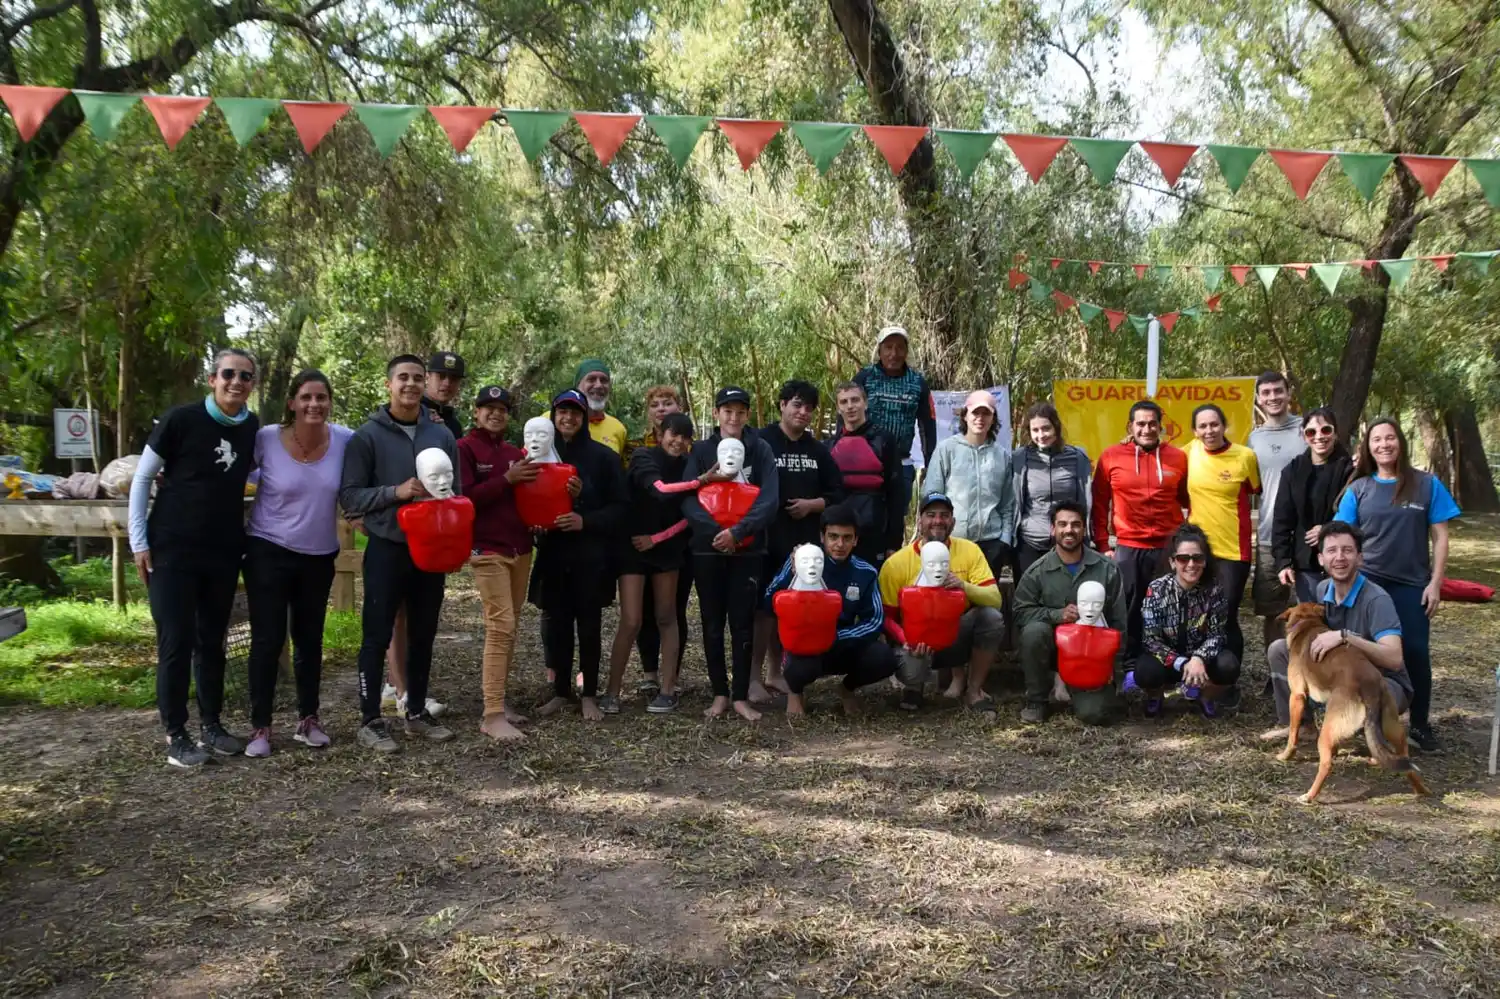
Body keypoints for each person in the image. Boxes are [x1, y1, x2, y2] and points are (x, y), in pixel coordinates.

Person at [129, 347, 261, 768]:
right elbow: (143, 478)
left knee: (212, 642)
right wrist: (139, 542)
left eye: (245, 376)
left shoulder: (250, 426)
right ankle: (176, 734)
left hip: (222, 550)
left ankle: (212, 725)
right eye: (228, 374)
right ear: (212, 378)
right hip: (172, 548)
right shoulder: (180, 420)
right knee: (175, 641)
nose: (236, 382)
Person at [339, 354, 459, 754]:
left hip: (430, 551)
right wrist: (397, 492)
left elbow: (455, 492)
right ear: (389, 384)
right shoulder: (366, 437)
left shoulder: (440, 435)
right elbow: (350, 496)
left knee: (424, 633)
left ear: (425, 385)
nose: (410, 384)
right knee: (376, 635)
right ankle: (370, 719)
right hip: (388, 548)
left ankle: (416, 711)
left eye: (417, 378)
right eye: (402, 377)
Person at [242, 369, 352, 758]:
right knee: (268, 639)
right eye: (306, 397)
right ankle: (261, 727)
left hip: (319, 554)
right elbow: (231, 469)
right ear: (292, 402)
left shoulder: (345, 440)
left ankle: (309, 720)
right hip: (267, 549)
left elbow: (379, 450)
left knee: (309, 640)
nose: (314, 405)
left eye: (321, 398)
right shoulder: (266, 439)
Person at [1334, 418, 1459, 752]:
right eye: (1376, 440)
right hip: (1369, 585)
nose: (1384, 445)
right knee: (1367, 652)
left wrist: (1435, 583)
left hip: (1412, 585)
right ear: (1368, 447)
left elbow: (1441, 536)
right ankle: (1369, 722)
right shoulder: (1358, 489)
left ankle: (1419, 724)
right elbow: (1343, 536)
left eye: (1390, 438)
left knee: (1415, 652)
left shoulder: (1426, 484)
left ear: (1400, 442)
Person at [682, 386, 781, 721]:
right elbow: (688, 497)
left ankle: (740, 696)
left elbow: (770, 499)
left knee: (742, 623)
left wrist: (738, 533)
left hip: (749, 550)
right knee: (712, 623)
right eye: (727, 411)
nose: (734, 417)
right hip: (707, 551)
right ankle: (719, 694)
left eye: (740, 411)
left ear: (747, 415)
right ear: (716, 414)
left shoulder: (760, 449)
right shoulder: (700, 450)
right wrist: (716, 534)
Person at [1263, 521, 1413, 743]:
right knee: (1279, 649)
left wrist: (1345, 636)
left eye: (1347, 550)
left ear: (1360, 558)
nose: (1340, 557)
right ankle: (1301, 725)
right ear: (1321, 559)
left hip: (1383, 681)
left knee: (1367, 709)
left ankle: (1374, 729)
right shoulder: (1323, 589)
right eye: (1332, 550)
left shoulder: (1377, 600)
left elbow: (1394, 659)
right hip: (1344, 675)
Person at [531, 389, 629, 722]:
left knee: (588, 628)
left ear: (585, 417)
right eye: (562, 412)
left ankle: (588, 694)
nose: (568, 418)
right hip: (553, 554)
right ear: (553, 416)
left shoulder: (604, 458)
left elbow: (620, 510)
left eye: (575, 413)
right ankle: (561, 692)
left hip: (590, 557)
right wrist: (537, 526)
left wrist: (584, 516)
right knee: (556, 627)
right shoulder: (540, 455)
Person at [379, 350, 466, 717]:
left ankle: (399, 685)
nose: (444, 383)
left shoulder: (450, 425)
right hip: (395, 526)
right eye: (437, 376)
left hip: (432, 532)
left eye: (453, 378)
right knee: (397, 615)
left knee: (420, 615)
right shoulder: (395, 417)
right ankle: (402, 691)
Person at [751, 380, 844, 701]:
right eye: (797, 405)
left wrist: (812, 505)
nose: (803, 413)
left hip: (803, 546)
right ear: (781, 405)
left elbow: (837, 494)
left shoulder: (818, 450)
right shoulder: (761, 440)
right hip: (763, 538)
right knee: (761, 610)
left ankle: (776, 673)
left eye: (809, 408)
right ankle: (752, 678)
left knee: (788, 608)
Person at [457, 385, 534, 743]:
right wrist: (506, 479)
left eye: (502, 408)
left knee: (510, 628)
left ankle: (501, 704)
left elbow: (531, 495)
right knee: (500, 627)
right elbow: (465, 498)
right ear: (476, 413)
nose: (496, 413)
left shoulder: (514, 452)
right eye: (488, 407)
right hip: (487, 550)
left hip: (521, 548)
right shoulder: (464, 449)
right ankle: (491, 715)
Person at [604, 411, 695, 715]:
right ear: (660, 434)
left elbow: (690, 517)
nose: (678, 441)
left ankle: (668, 690)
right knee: (631, 619)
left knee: (667, 616)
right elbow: (658, 490)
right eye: (673, 434)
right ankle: (612, 692)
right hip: (632, 546)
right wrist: (702, 480)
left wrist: (657, 539)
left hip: (666, 547)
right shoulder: (643, 457)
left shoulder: (689, 467)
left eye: (685, 436)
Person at [879, 492, 1005, 714]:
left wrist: (964, 586)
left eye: (944, 515)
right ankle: (913, 687)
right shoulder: (896, 563)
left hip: (954, 635)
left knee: (991, 618)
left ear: (953, 521)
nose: (938, 520)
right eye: (931, 515)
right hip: (915, 640)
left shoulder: (969, 550)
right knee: (911, 660)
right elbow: (886, 616)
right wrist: (904, 639)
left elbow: (995, 598)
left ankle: (973, 690)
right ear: (920, 521)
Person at [764, 505, 895, 715]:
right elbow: (769, 602)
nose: (839, 544)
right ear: (822, 537)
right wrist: (791, 573)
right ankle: (795, 692)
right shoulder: (804, 562)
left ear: (856, 540)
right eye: (833, 536)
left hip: (843, 642)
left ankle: (847, 688)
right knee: (798, 665)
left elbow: (875, 620)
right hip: (807, 645)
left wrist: (834, 637)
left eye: (846, 537)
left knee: (885, 658)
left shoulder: (866, 572)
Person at [1013, 500, 1127, 725]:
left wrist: (1115, 670)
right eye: (1062, 524)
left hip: (1090, 657)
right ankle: (1037, 700)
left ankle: (1080, 691)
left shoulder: (1107, 569)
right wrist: (1057, 615)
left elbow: (1119, 622)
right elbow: (1020, 613)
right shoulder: (1038, 571)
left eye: (1076, 525)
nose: (1069, 530)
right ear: (1052, 529)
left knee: (1094, 715)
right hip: (1053, 651)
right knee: (1034, 631)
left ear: (1084, 529)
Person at [1091, 400, 1188, 657]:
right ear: (1130, 426)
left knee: (1168, 608)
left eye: (1153, 423)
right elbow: (1100, 504)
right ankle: (1130, 663)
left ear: (1161, 426)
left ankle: (1168, 662)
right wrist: (1103, 544)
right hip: (1129, 547)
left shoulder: (1178, 458)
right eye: (1141, 423)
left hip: (1168, 548)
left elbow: (1190, 498)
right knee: (1129, 609)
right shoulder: (1111, 456)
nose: (1147, 429)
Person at [1135, 524, 1241, 718]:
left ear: (1205, 561)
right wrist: (1182, 663)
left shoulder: (1215, 590)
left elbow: (1217, 634)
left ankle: (1205, 696)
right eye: (1183, 558)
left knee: (1229, 665)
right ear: (1173, 562)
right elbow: (1150, 639)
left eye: (1197, 558)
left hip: (1201, 661)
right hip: (1168, 660)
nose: (1191, 564)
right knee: (1144, 671)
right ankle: (1155, 696)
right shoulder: (1157, 589)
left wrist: (1199, 658)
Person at [1183, 403, 1260, 664]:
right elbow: (1159, 455)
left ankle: (1227, 679)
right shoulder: (1189, 452)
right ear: (1194, 431)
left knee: (1225, 615)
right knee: (1195, 614)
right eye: (1202, 426)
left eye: (1214, 424)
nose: (1209, 430)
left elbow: (1257, 490)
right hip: (1196, 550)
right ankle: (1197, 671)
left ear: (1224, 426)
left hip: (1233, 551)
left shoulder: (1245, 456)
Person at [632, 385, 693, 696]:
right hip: (643, 541)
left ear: (679, 406)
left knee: (673, 610)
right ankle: (649, 673)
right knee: (643, 610)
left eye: (667, 403)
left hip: (680, 544)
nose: (661, 409)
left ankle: (673, 675)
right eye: (654, 404)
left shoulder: (693, 454)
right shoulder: (638, 449)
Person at [853, 325, 937, 533]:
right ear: (879, 351)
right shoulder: (864, 378)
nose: (894, 353)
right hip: (866, 461)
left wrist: (931, 465)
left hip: (901, 464)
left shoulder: (918, 383)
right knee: (862, 520)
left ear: (907, 352)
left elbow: (927, 426)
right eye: (888, 347)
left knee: (894, 523)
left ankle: (892, 562)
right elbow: (846, 415)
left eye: (899, 347)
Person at [923, 389, 1016, 577]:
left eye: (986, 413)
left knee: (986, 602)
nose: (980, 418)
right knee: (952, 600)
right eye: (975, 413)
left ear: (993, 418)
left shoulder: (1002, 456)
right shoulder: (946, 449)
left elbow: (1007, 504)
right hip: (953, 541)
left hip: (991, 544)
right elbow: (932, 496)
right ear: (965, 416)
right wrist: (935, 537)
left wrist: (1004, 540)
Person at [1247, 371, 1305, 647]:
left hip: (1307, 536)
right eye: (1266, 393)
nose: (1273, 397)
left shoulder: (1309, 429)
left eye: (1278, 391)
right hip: (1270, 536)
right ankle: (1277, 673)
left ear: (1288, 393)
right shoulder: (1253, 439)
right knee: (1273, 612)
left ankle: (1308, 673)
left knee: (1311, 608)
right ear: (1258, 398)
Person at [1272, 407, 1352, 602]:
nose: (1319, 436)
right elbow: (1282, 521)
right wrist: (1283, 562)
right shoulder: (1292, 471)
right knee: (1312, 623)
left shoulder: (1351, 469)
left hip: (1344, 561)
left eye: (1326, 430)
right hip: (1306, 564)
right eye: (1311, 432)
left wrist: (1327, 530)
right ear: (1303, 436)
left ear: (1335, 432)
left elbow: (1359, 515)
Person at [1010, 402, 1092, 577]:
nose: (1041, 435)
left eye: (1046, 428)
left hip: (1068, 541)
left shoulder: (1077, 457)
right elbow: (1015, 502)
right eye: (1035, 430)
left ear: (1056, 427)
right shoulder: (1020, 458)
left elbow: (1086, 501)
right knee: (1028, 599)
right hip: (1031, 542)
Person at [829, 380, 904, 564]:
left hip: (875, 531)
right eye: (844, 402)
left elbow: (896, 492)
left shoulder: (884, 440)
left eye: (855, 400)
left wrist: (893, 543)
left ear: (865, 403)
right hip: (840, 534)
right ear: (838, 408)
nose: (850, 406)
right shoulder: (829, 446)